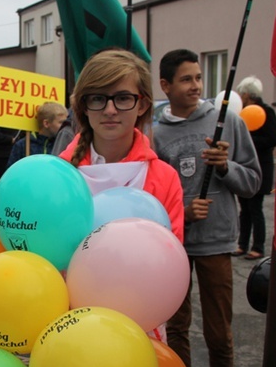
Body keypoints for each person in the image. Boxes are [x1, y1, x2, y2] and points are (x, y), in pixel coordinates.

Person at [153, 49, 261, 367]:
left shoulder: (227, 120)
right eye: (185, 79)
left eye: (198, 77)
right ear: (165, 86)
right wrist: (182, 210)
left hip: (216, 242)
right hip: (174, 245)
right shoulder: (155, 133)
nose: (196, 85)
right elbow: (152, 194)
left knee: (220, 329)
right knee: (176, 327)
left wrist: (225, 168)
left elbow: (252, 182)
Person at [58, 48, 184, 243]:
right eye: (98, 98)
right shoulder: (59, 176)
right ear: (84, 106)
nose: (110, 110)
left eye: (123, 98)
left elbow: (169, 255)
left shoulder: (165, 179)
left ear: (142, 105)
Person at [232, 76, 276, 260]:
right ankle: (242, 244)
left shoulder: (266, 112)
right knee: (244, 208)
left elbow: (272, 139)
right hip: (244, 166)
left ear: (246, 94)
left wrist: (249, 142)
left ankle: (258, 247)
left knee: (255, 208)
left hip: (260, 168)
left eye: (241, 94)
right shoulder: (242, 113)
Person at [7, 102, 68, 167]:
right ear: (46, 123)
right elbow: (12, 172)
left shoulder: (64, 145)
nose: (65, 126)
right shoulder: (22, 145)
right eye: (61, 122)